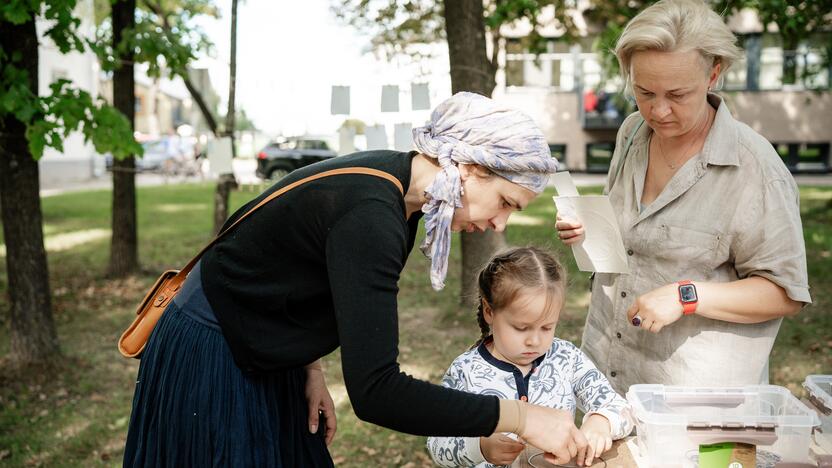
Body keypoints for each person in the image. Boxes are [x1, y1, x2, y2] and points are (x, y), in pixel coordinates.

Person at [123, 92, 588, 467]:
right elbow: (376, 391)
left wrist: (309, 365)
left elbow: (296, 270)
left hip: (263, 341)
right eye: (506, 201)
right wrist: (522, 416)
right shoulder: (372, 215)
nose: (500, 224)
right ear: (469, 168)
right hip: (216, 351)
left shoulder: (397, 188)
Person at [555, 0, 811, 394]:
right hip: (605, 375)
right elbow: (636, 241)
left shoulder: (756, 169)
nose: (658, 111)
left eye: (677, 94)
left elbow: (785, 293)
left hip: (693, 405)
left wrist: (686, 296)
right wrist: (589, 231)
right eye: (644, 91)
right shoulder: (630, 133)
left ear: (713, 73)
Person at [427, 247, 633, 468]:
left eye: (546, 327)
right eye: (521, 328)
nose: (535, 341)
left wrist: (601, 422)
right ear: (489, 311)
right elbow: (437, 443)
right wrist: (480, 448)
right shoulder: (465, 371)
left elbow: (621, 408)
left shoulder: (566, 358)